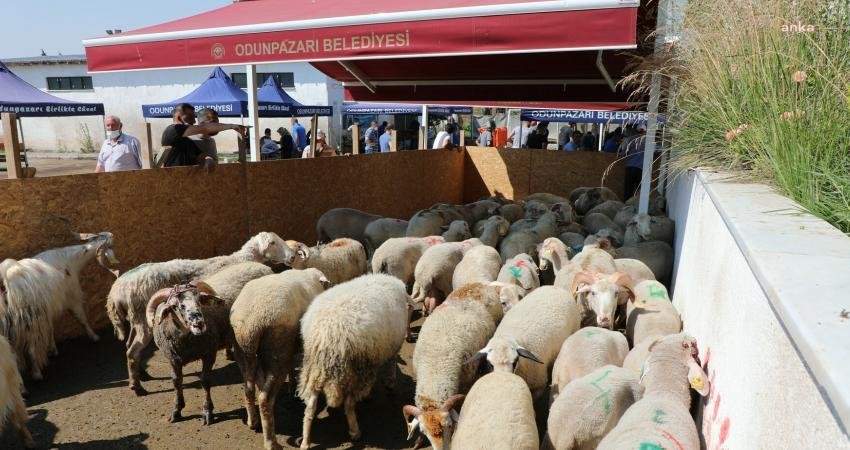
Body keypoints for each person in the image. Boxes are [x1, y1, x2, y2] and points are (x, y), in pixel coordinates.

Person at [160, 103, 245, 170]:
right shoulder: (172, 130)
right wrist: (232, 126)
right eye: (190, 117)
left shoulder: (187, 141)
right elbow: (205, 128)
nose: (194, 121)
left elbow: (200, 155)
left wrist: (208, 159)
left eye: (194, 117)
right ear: (178, 117)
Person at [619, 124, 651, 199]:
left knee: (628, 191)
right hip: (641, 169)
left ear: (636, 131)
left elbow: (623, 154)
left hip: (630, 168)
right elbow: (655, 152)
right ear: (646, 131)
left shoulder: (631, 140)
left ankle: (626, 207)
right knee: (639, 191)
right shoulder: (649, 141)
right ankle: (638, 208)